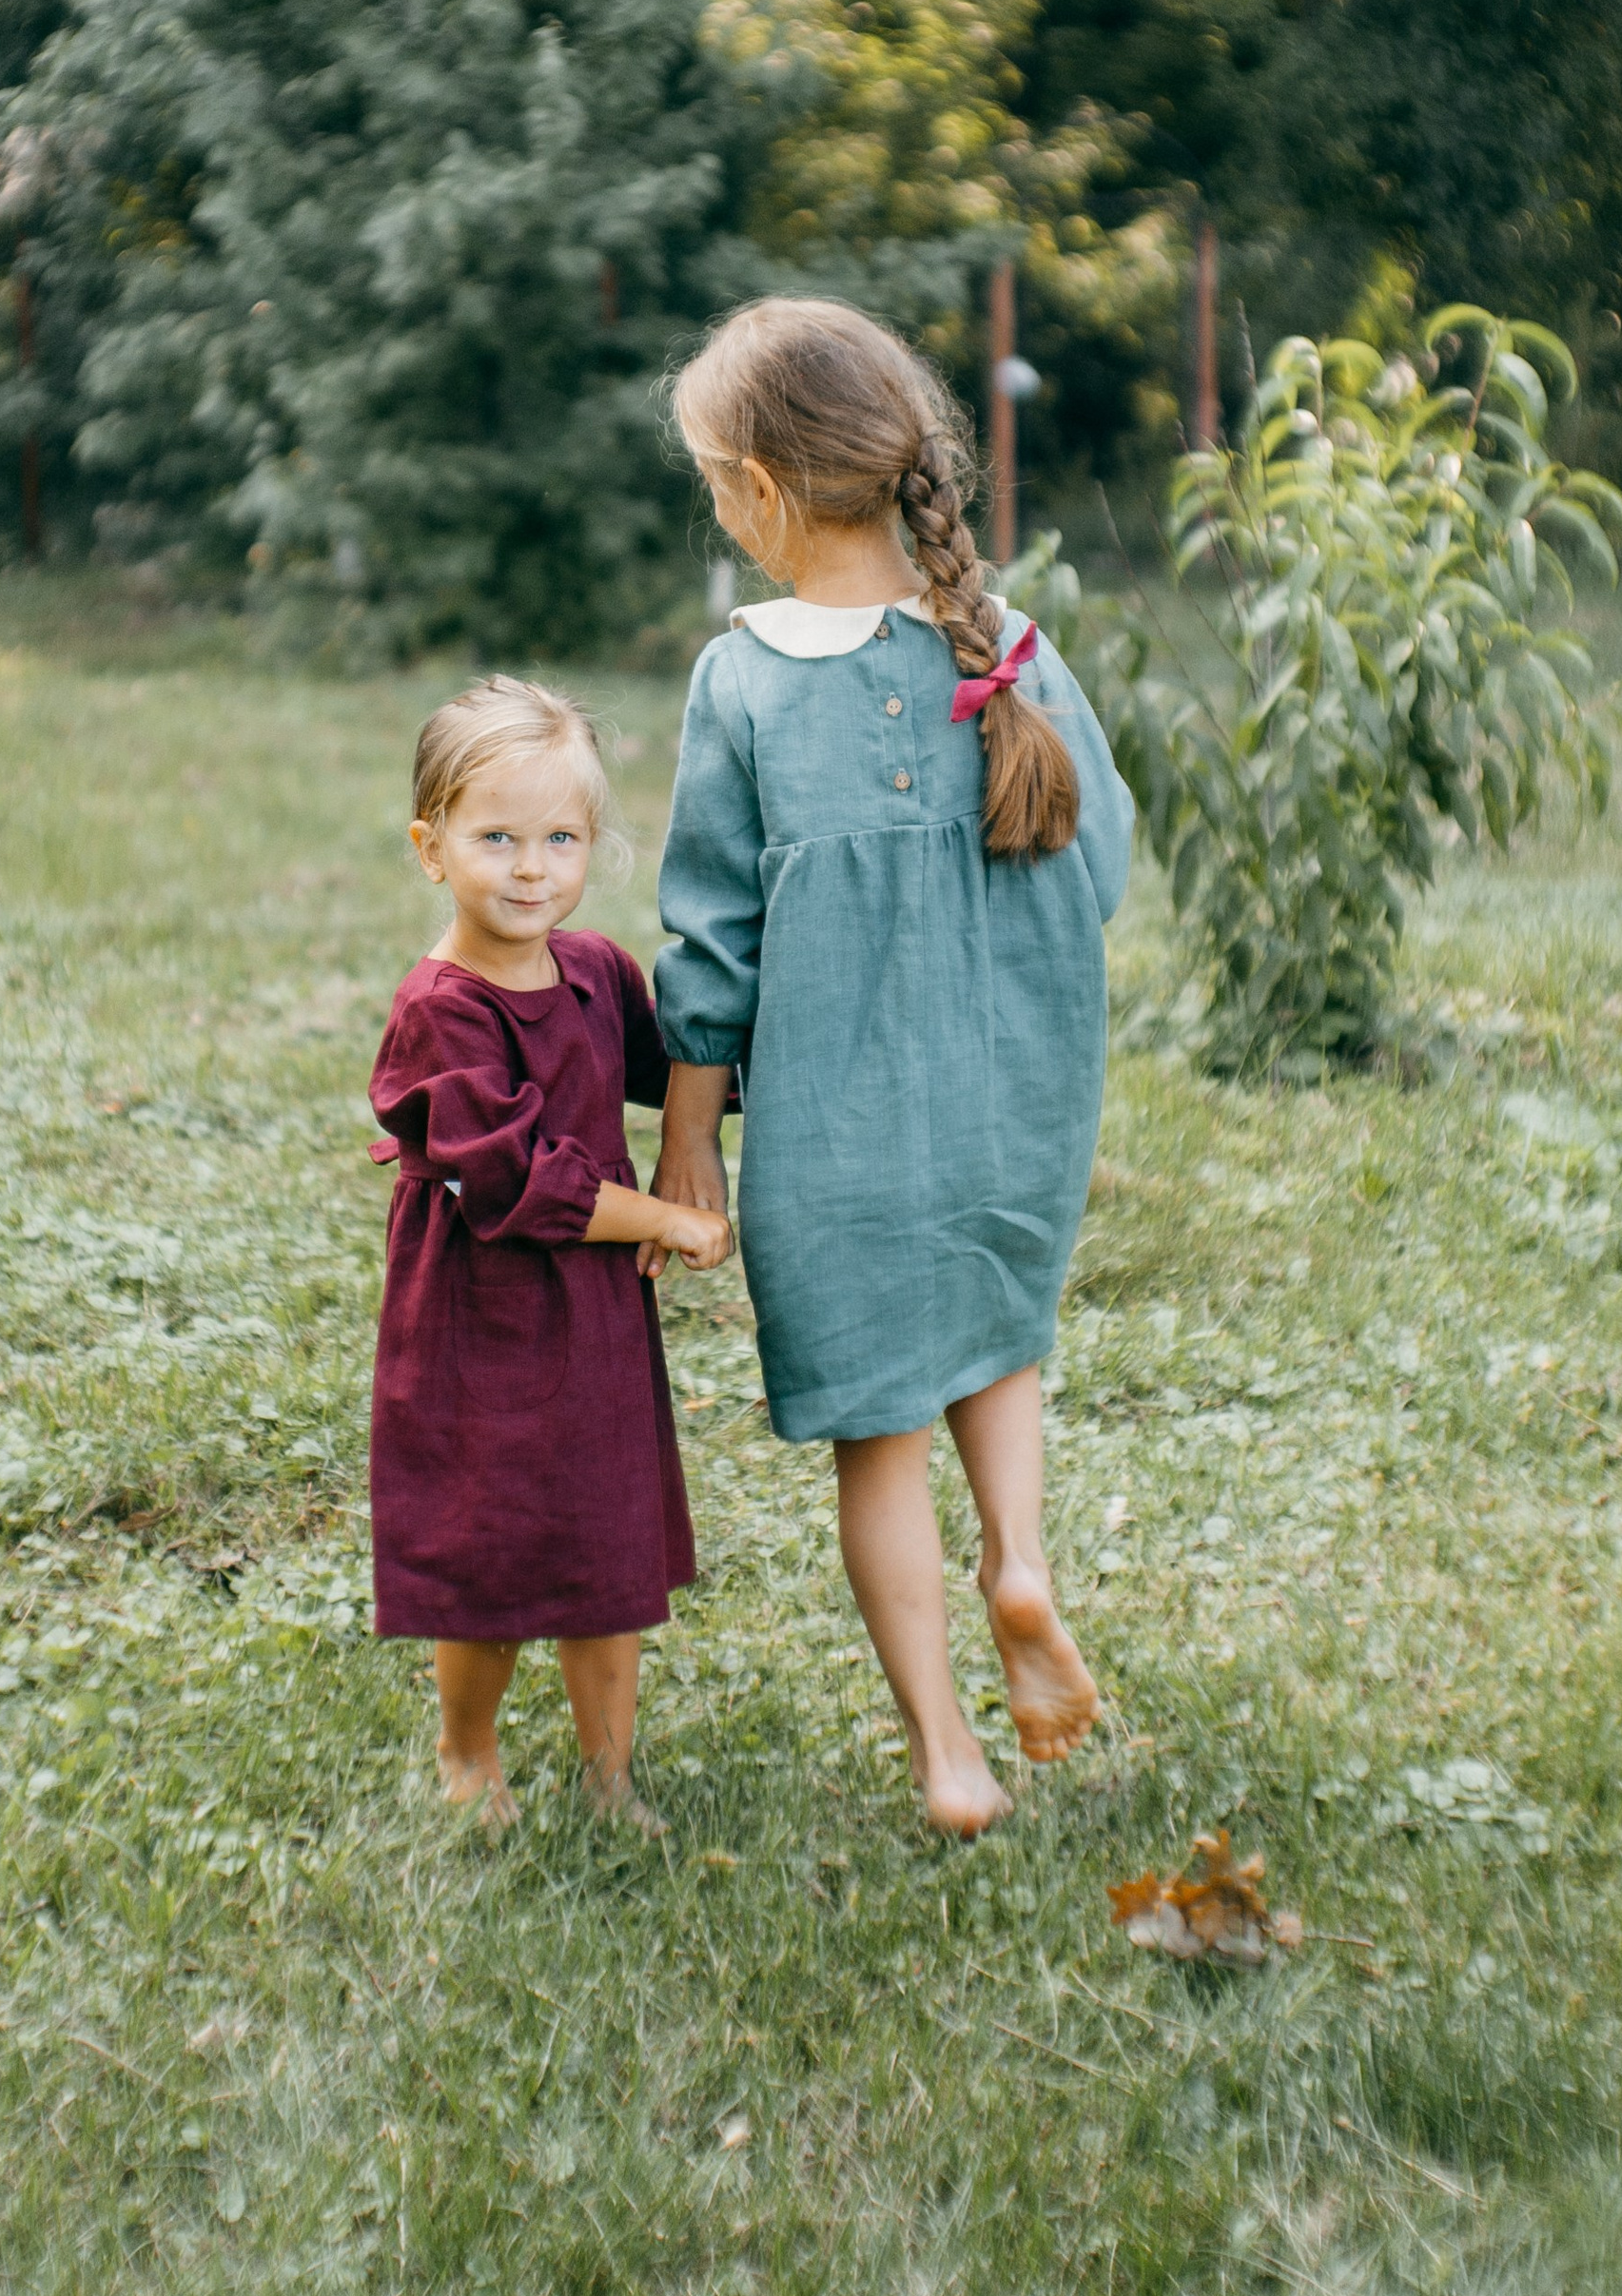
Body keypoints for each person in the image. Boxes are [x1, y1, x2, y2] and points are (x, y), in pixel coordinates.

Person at [651, 299, 1135, 1836]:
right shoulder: (1017, 650)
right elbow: (1101, 869)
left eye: (715, 482)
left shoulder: (744, 679)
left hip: (844, 1127)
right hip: (1018, 1095)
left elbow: (711, 948)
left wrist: (687, 1145)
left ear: (766, 493)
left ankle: (946, 1752)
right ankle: (1025, 1564)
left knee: (881, 1427)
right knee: (998, 1341)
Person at [367, 676, 732, 1831]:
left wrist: (733, 1019)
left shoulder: (592, 971)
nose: (531, 868)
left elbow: (670, 1056)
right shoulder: (443, 1008)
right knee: (489, 1543)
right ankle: (466, 1749)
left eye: (560, 838)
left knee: (605, 1532)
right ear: (432, 849)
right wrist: (665, 1219)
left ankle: (609, 1774)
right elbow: (514, 1179)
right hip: (478, 1313)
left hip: (589, 1319)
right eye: (497, 838)